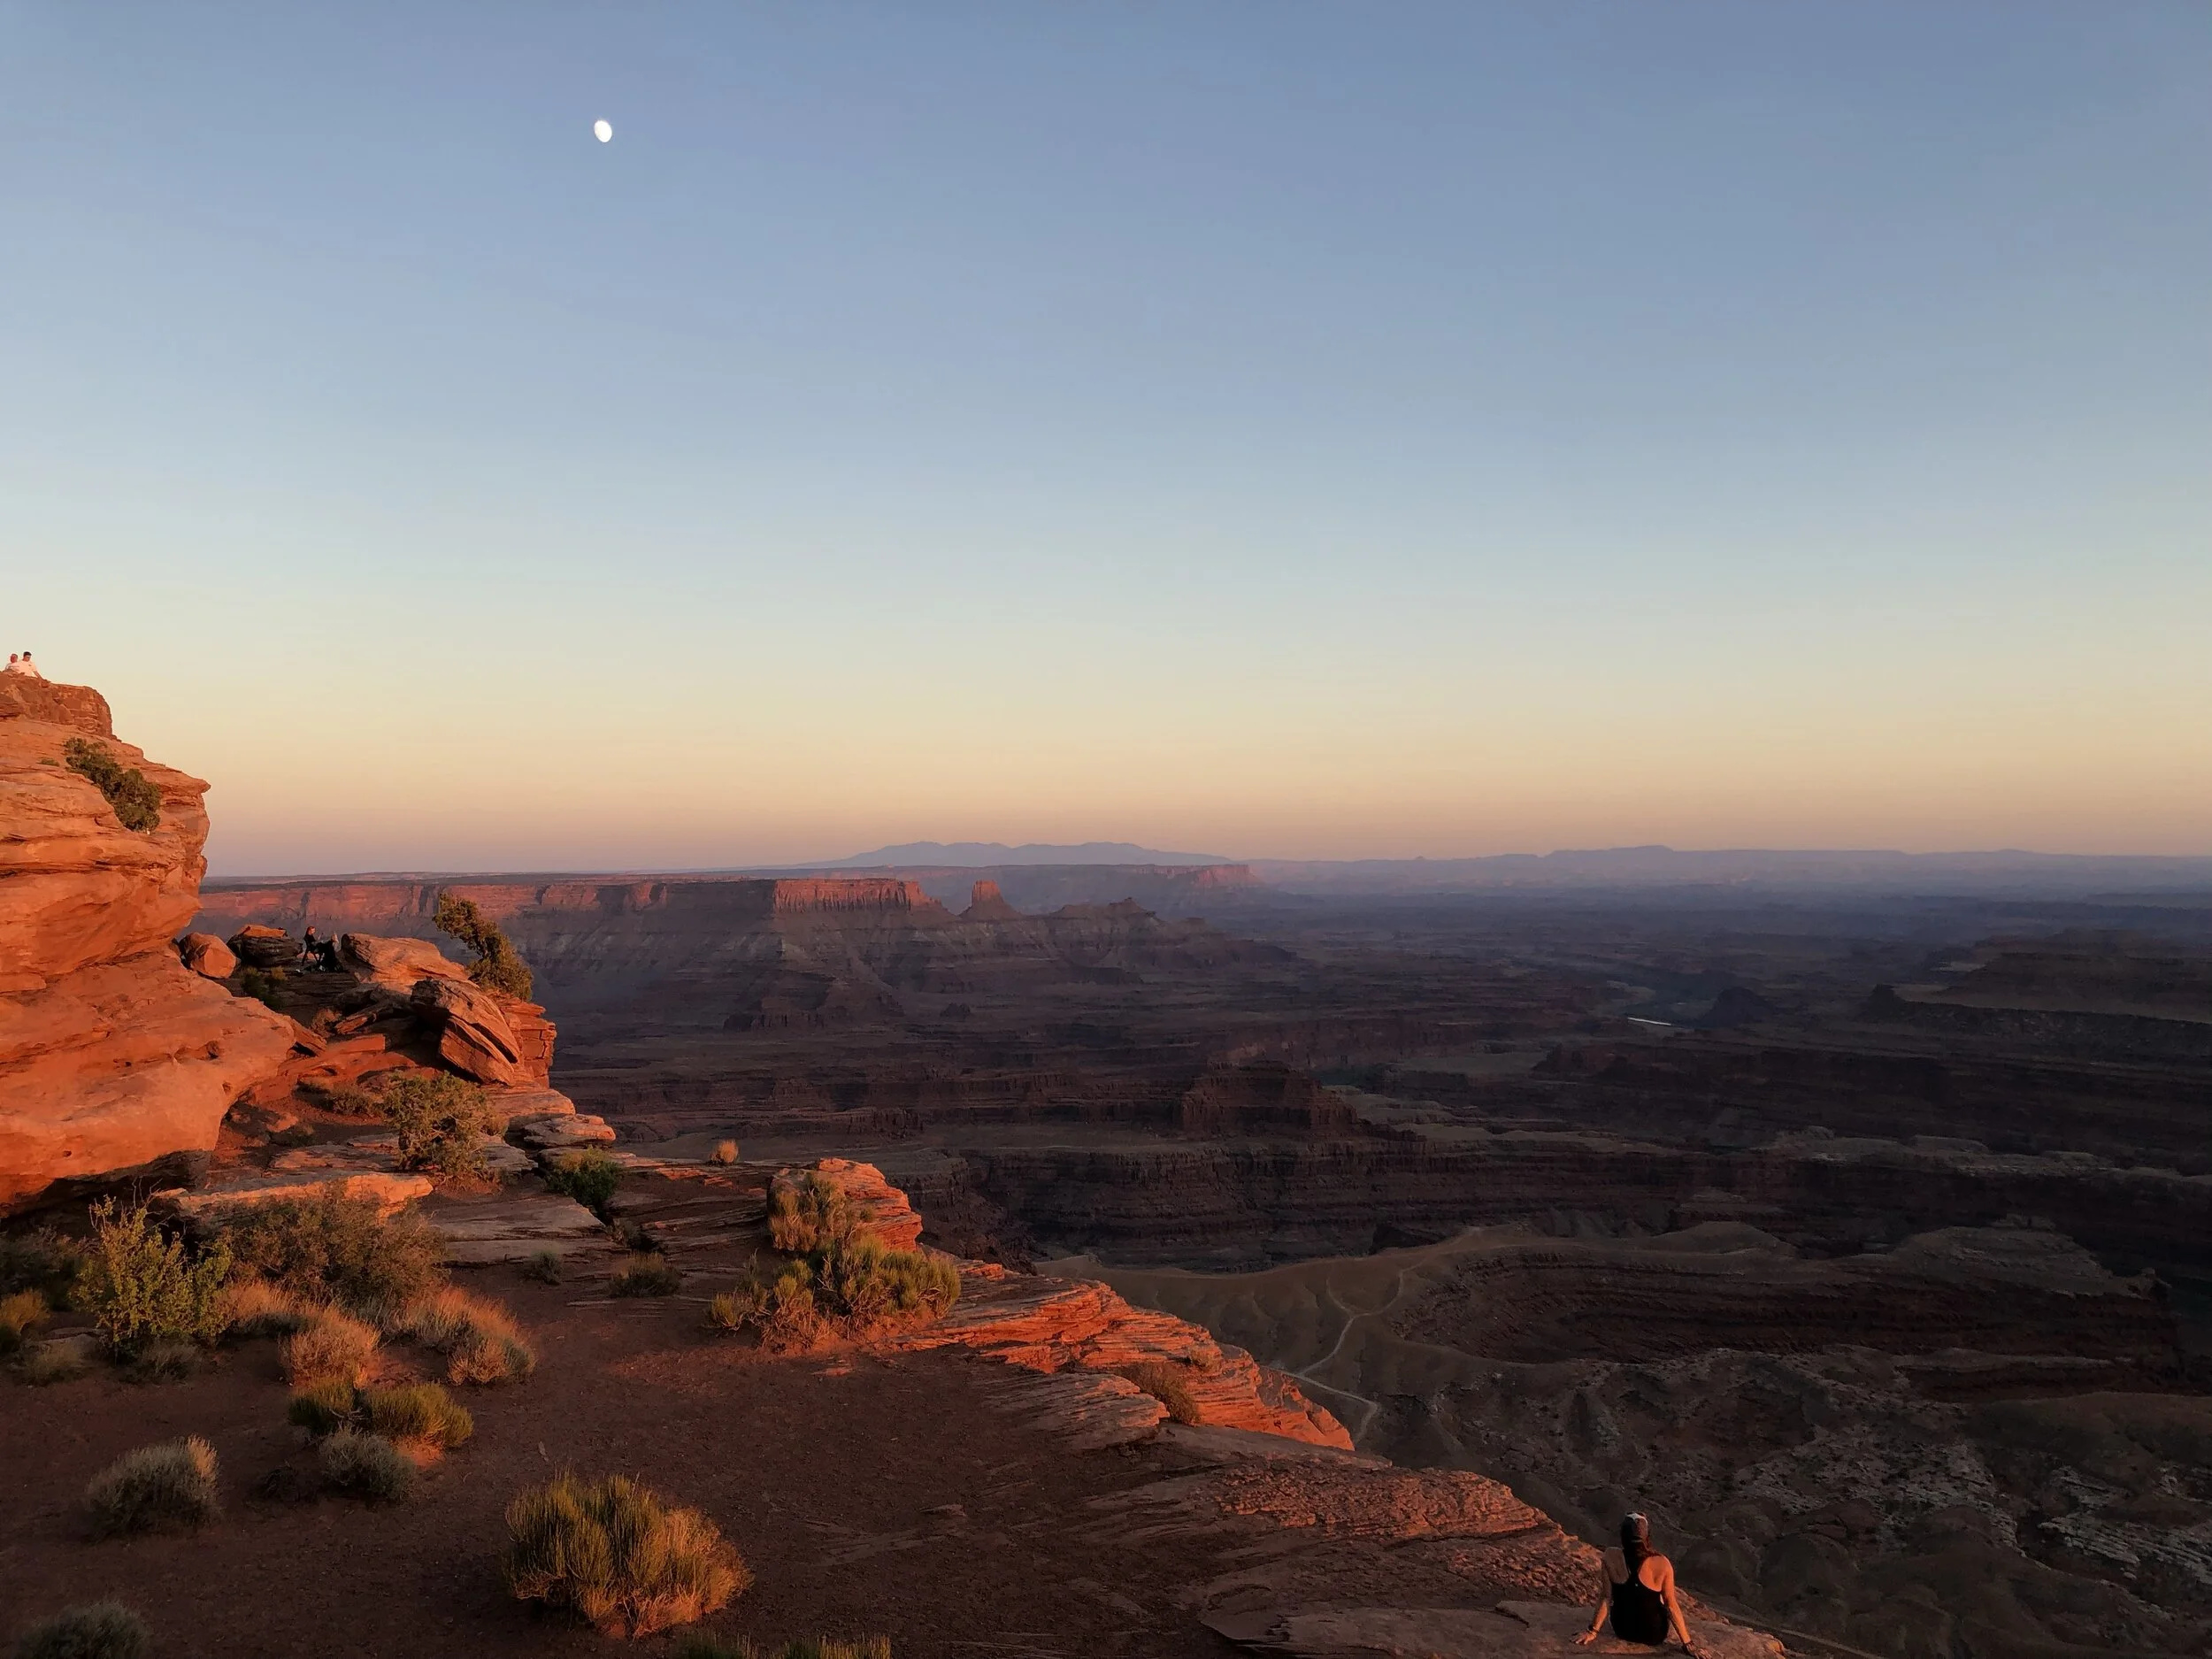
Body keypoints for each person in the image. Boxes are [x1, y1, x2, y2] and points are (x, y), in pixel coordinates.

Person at [1575, 1513, 1702, 1653]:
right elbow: (1671, 1605)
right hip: (1653, 1634)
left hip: (1623, 1629)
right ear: (1647, 1537)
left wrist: (1592, 1631)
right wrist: (1688, 1643)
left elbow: (1606, 1597)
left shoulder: (1610, 1556)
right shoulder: (1661, 1563)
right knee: (1658, 1596)